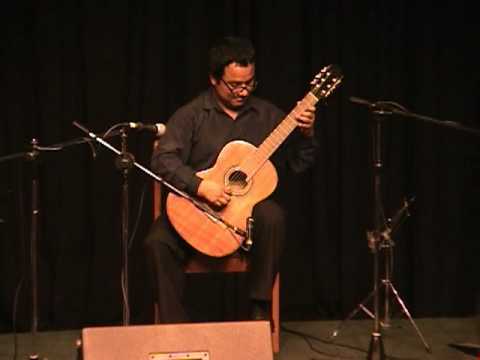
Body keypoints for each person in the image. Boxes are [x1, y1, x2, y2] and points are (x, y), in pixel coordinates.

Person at [144, 36, 317, 323]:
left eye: (249, 83)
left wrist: (307, 136)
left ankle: (259, 312)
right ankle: (175, 330)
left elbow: (297, 165)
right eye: (235, 85)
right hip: (195, 210)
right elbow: (162, 159)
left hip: (243, 220)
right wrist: (201, 186)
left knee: (273, 216)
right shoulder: (192, 115)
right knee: (156, 242)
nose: (243, 91)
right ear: (214, 79)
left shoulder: (268, 116)